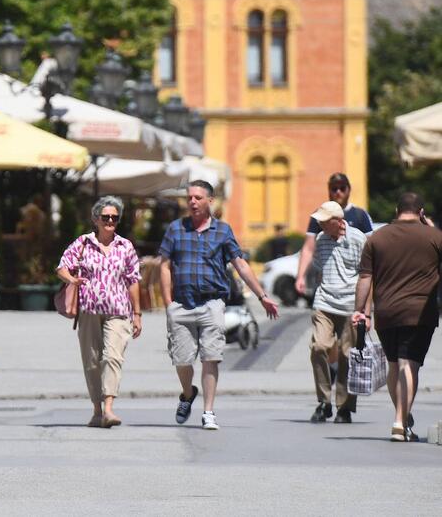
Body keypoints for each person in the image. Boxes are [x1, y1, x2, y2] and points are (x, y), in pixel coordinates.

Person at [159, 180, 280, 430]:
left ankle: (208, 411)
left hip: (212, 303)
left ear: (210, 201)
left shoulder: (223, 231)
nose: (192, 202)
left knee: (210, 357)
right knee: (182, 361)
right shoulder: (175, 229)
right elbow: (164, 265)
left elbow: (240, 264)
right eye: (189, 197)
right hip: (181, 304)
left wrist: (262, 295)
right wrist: (168, 303)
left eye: (198, 198)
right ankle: (187, 393)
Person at [353, 192, 441, 442]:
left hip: (387, 313)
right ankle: (400, 422)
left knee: (394, 364)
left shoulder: (377, 238)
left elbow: (365, 278)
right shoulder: (434, 237)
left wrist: (360, 311)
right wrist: (432, 228)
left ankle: (402, 416)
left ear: (396, 210)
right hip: (419, 313)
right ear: (421, 213)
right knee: (408, 364)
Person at [57, 195, 142, 428]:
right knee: (92, 361)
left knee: (112, 357)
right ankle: (96, 410)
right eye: (105, 217)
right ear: (96, 219)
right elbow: (62, 267)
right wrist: (72, 279)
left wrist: (137, 314)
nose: (110, 221)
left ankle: (109, 408)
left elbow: (133, 280)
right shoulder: (83, 243)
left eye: (115, 217)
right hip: (89, 310)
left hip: (119, 310)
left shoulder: (125, 246)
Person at [307, 201, 367, 424]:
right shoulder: (321, 239)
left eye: (324, 221)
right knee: (318, 347)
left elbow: (367, 275)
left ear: (337, 221)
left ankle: (344, 407)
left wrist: (365, 311)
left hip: (350, 305)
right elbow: (319, 269)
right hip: (324, 303)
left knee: (346, 355)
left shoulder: (358, 239)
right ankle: (324, 401)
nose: (319, 224)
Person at [296, 173, 373, 297]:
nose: (338, 192)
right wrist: (300, 276)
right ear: (329, 190)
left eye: (342, 188)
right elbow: (308, 248)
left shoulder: (360, 215)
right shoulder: (319, 215)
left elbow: (371, 247)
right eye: (334, 188)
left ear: (349, 189)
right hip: (326, 285)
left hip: (352, 285)